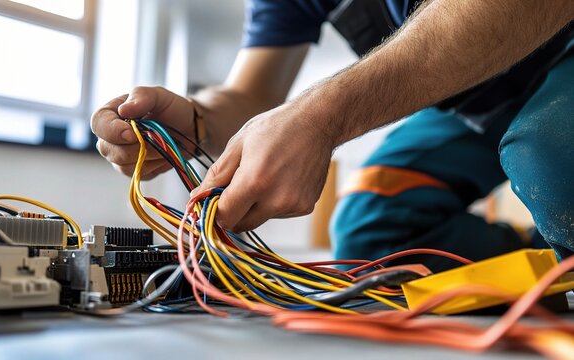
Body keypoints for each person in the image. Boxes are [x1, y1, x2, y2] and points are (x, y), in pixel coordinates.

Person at [92, 0, 574, 271]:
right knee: (373, 235)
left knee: (553, 164)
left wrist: (324, 114)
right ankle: (544, 259)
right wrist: (195, 122)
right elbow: (249, 94)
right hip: (475, 103)